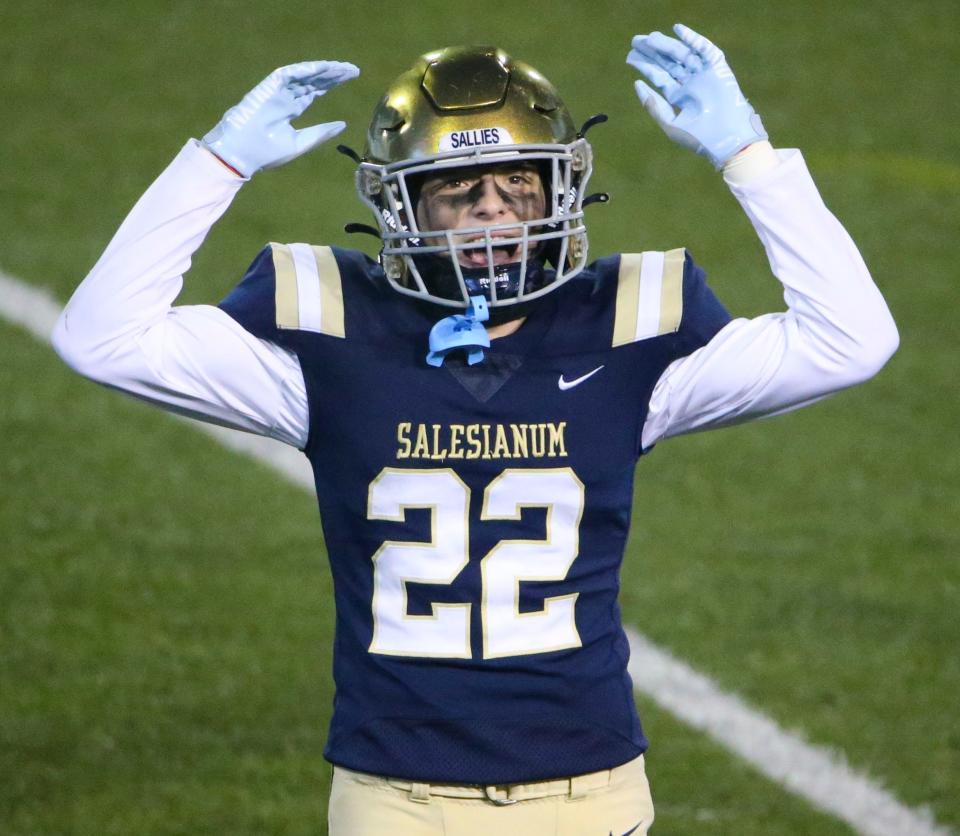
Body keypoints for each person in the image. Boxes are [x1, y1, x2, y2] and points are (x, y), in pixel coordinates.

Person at [52, 23, 898, 836]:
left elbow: (851, 341)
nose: (495, 212)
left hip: (589, 794)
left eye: (517, 184)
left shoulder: (633, 327)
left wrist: (750, 158)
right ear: (403, 206)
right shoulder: (327, 330)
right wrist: (217, 161)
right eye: (460, 191)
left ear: (560, 185)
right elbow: (102, 338)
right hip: (395, 800)